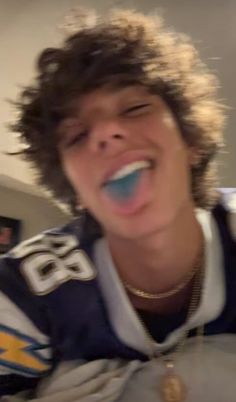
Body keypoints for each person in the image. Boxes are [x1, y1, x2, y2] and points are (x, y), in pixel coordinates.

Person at [0, 7, 235, 402]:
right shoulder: (22, 294)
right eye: (75, 135)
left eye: (135, 108)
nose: (107, 131)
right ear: (73, 188)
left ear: (191, 142)